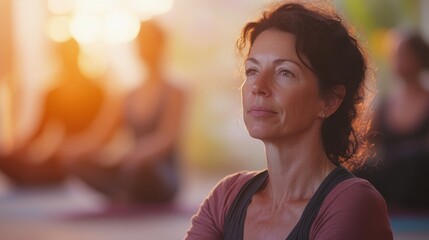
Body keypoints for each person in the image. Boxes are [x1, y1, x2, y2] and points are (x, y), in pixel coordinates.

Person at [185, 2, 392, 239]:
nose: (258, 87)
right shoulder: (226, 197)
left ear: (330, 101)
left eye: (285, 72)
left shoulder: (352, 203)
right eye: (252, 71)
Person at [69, 20, 185, 203]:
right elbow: (101, 136)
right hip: (128, 166)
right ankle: (124, 189)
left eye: (149, 41)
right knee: (77, 162)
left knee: (144, 167)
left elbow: (167, 138)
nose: (144, 46)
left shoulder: (176, 92)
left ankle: (124, 189)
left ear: (161, 44)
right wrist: (71, 149)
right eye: (140, 41)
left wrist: (138, 154)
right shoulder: (127, 96)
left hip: (158, 172)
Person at [0, 39, 115, 185]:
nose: (67, 59)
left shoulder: (96, 91)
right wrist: (16, 147)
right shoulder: (52, 94)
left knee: (72, 166)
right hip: (58, 155)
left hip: (85, 155)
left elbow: (101, 135)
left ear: (78, 55)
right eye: (64, 55)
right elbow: (38, 131)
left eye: (70, 54)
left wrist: (73, 149)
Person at [356, 31, 429, 211]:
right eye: (394, 54)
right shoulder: (384, 106)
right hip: (390, 190)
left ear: (419, 58)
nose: (396, 60)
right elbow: (360, 144)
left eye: (402, 54)